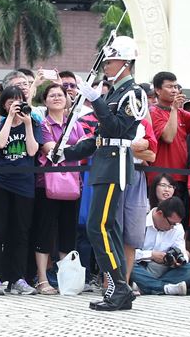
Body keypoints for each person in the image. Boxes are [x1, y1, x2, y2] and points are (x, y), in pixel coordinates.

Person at [58, 35, 149, 311]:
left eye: (111, 61)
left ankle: (119, 286)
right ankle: (117, 287)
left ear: (126, 63)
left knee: (98, 226)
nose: (106, 66)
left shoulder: (133, 94)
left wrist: (96, 101)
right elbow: (99, 136)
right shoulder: (113, 94)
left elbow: (117, 129)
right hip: (103, 163)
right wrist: (67, 153)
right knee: (106, 228)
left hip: (115, 165)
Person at [0, 86, 42, 296]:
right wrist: (10, 119)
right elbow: (0, 143)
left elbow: (32, 150)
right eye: (10, 102)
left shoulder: (33, 124)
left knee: (21, 232)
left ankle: (18, 278)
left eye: (18, 101)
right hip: (1, 183)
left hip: (24, 184)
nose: (14, 105)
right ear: (3, 104)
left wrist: (27, 123)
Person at [32, 82, 85, 295]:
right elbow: (49, 150)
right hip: (47, 184)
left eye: (60, 95)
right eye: (51, 95)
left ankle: (66, 280)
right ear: (45, 101)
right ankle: (42, 279)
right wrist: (71, 150)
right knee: (44, 231)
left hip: (73, 184)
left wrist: (69, 150)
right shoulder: (42, 125)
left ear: (67, 99)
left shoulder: (75, 123)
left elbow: (85, 148)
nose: (56, 98)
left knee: (67, 232)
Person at [149, 71, 190, 200]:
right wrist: (174, 109)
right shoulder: (152, 111)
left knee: (178, 217)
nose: (174, 90)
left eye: (176, 87)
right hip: (160, 177)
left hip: (181, 175)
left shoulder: (181, 112)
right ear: (158, 90)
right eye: (169, 87)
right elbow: (168, 137)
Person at [130, 197, 190, 295]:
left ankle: (146, 286)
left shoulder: (177, 228)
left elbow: (182, 251)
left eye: (175, 224)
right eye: (171, 223)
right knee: (126, 265)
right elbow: (127, 253)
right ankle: (165, 288)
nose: (172, 227)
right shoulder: (139, 222)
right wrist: (151, 255)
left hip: (166, 270)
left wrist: (179, 260)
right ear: (160, 214)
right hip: (142, 267)